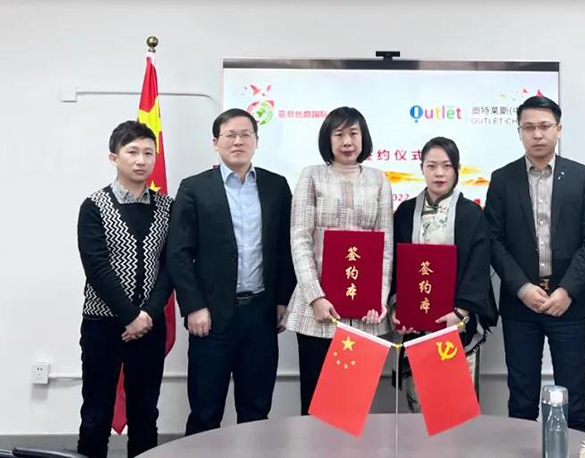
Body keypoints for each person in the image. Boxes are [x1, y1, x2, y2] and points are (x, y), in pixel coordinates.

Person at [168, 108, 295, 435]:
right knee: (205, 411)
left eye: (245, 134)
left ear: (256, 141)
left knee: (256, 410)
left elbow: (285, 248)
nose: (238, 141)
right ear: (216, 142)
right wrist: (194, 306)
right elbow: (178, 253)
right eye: (230, 135)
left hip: (261, 315)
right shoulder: (194, 188)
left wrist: (282, 300)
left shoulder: (276, 186)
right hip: (211, 317)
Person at [484, 95, 585, 433]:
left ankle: (574, 450)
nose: (537, 134)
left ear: (558, 129)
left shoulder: (581, 176)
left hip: (570, 304)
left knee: (574, 398)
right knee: (521, 398)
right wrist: (522, 288)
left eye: (544, 126)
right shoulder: (502, 178)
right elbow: (493, 241)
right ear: (519, 132)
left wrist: (567, 290)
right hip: (520, 305)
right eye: (529, 127)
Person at [285, 106, 393, 415]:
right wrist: (315, 297)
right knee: (316, 403)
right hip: (318, 312)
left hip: (363, 314)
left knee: (352, 407)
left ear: (363, 137)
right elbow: (300, 238)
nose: (347, 142)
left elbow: (385, 245)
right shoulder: (311, 176)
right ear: (328, 139)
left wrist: (378, 298)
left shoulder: (379, 180)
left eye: (354, 134)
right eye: (339, 134)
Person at [77, 121, 172, 458]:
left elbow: (170, 267)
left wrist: (147, 315)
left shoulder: (168, 207)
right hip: (102, 324)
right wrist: (130, 316)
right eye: (132, 152)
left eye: (148, 153)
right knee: (96, 413)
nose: (141, 160)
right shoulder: (94, 205)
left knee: (145, 414)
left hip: (150, 324)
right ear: (114, 157)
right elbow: (96, 267)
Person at [391, 136, 498, 410]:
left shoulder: (471, 213)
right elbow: (394, 265)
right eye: (432, 166)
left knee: (455, 410)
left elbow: (478, 266)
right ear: (422, 168)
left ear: (456, 169)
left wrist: (460, 312)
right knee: (420, 408)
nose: (439, 173)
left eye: (447, 166)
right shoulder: (405, 212)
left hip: (456, 323)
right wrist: (398, 309)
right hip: (416, 327)